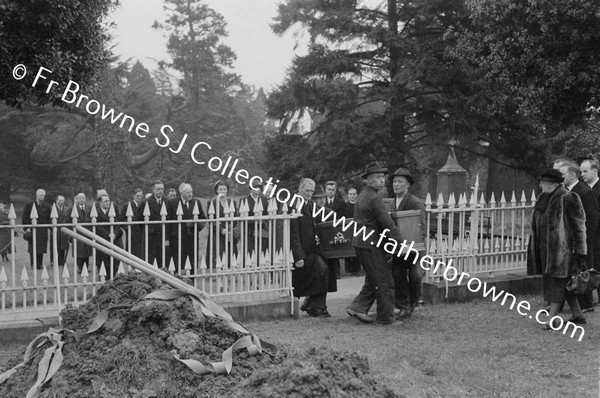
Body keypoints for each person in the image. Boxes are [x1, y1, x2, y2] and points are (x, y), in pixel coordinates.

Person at [526, 168, 587, 328]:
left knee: (558, 283)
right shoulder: (543, 198)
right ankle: (577, 315)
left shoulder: (569, 197)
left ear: (552, 183)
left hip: (563, 250)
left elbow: (579, 225)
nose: (540, 184)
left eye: (543, 181)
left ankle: (552, 319)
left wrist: (580, 250)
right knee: (563, 283)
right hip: (545, 249)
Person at [347, 163, 403, 325]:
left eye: (382, 177)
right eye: (377, 178)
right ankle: (385, 318)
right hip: (371, 244)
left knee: (373, 279)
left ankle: (358, 307)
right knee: (385, 281)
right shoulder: (375, 198)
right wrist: (401, 242)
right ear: (369, 181)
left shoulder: (363, 196)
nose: (382, 180)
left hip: (361, 243)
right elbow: (387, 223)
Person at [558, 162, 598, 313]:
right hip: (571, 240)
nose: (561, 177)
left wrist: (586, 240)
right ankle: (576, 302)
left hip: (583, 240)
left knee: (583, 271)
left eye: (563, 174)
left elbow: (593, 218)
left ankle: (586, 304)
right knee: (574, 271)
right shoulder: (567, 191)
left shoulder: (584, 192)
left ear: (572, 175)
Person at [389, 168, 426, 317]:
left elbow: (422, 226)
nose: (396, 185)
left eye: (400, 182)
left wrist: (415, 245)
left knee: (415, 276)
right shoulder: (393, 202)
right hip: (398, 247)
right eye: (394, 181)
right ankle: (404, 305)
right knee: (398, 274)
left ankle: (413, 303)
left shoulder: (415, 202)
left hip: (413, 247)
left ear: (407, 185)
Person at [290, 178, 330, 317]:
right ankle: (314, 305)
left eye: (312, 191)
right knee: (316, 274)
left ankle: (315, 305)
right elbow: (293, 232)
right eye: (307, 190)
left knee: (322, 272)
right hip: (302, 252)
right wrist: (298, 255)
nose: (309, 193)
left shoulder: (309, 204)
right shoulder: (294, 204)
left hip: (312, 249)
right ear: (299, 188)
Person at [167, 183, 206, 272]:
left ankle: (192, 280)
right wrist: (167, 238)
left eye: (191, 192)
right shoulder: (172, 202)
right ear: (181, 193)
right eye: (187, 192)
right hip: (177, 238)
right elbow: (168, 222)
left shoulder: (196, 202)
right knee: (177, 261)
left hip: (192, 237)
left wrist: (194, 226)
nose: (190, 194)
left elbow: (203, 218)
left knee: (192, 260)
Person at [580, 158, 600, 305]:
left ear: (595, 170)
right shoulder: (585, 189)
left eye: (585, 171)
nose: (582, 174)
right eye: (581, 171)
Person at [206, 180, 238, 267]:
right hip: (216, 232)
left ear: (227, 190)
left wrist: (230, 228)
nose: (222, 191)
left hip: (229, 231)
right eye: (220, 189)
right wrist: (222, 230)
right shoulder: (212, 202)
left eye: (224, 189)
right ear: (216, 190)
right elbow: (211, 219)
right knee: (217, 253)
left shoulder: (232, 202)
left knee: (230, 252)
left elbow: (235, 217)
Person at [95, 194, 123, 278]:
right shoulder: (96, 212)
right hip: (102, 242)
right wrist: (108, 234)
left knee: (114, 264)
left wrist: (114, 234)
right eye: (105, 201)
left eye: (109, 201)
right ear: (100, 202)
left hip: (114, 242)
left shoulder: (113, 211)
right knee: (103, 265)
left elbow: (118, 224)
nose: (108, 203)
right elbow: (96, 227)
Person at [22, 189, 50, 270]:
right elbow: (25, 218)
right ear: (37, 195)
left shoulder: (47, 206)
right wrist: (27, 228)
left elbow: (49, 219)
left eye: (44, 195)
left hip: (42, 230)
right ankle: (33, 264)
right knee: (33, 248)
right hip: (33, 230)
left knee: (41, 248)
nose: (43, 197)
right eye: (41, 195)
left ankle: (39, 264)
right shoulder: (29, 205)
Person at [144, 180, 169, 267]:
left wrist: (167, 237)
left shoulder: (168, 201)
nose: (160, 191)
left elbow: (170, 221)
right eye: (158, 189)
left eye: (162, 189)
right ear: (153, 190)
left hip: (163, 237)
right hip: (150, 237)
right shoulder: (146, 202)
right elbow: (140, 221)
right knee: (149, 261)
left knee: (163, 262)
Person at [324, 181, 345, 279]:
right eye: (329, 189)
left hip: (337, 228)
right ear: (325, 190)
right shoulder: (322, 202)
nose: (331, 192)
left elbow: (344, 216)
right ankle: (326, 272)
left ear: (335, 191)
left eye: (333, 190)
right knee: (326, 250)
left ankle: (336, 272)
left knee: (336, 250)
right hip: (324, 228)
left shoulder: (340, 202)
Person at [243, 183, 269, 263]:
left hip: (263, 230)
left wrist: (262, 221)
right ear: (250, 189)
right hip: (250, 231)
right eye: (255, 188)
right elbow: (242, 217)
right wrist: (254, 221)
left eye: (258, 189)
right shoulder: (244, 200)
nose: (257, 191)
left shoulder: (264, 200)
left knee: (262, 251)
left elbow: (268, 213)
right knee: (250, 252)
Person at [119, 188, 144, 259]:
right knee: (132, 256)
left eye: (141, 196)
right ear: (133, 196)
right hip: (132, 236)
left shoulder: (143, 205)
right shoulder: (128, 205)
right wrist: (127, 228)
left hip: (142, 234)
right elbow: (120, 219)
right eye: (137, 196)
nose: (139, 198)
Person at [343, 187, 362, 276]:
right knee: (347, 248)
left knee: (357, 248)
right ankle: (349, 270)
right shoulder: (345, 206)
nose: (352, 196)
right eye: (350, 194)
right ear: (348, 195)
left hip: (358, 229)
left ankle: (357, 270)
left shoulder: (360, 205)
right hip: (348, 229)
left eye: (354, 194)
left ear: (357, 195)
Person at [73, 193, 91, 273]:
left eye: (83, 198)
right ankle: (80, 268)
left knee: (86, 252)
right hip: (78, 234)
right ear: (77, 199)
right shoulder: (73, 208)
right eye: (79, 198)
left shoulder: (89, 208)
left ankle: (86, 267)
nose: (81, 199)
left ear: (85, 199)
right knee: (79, 252)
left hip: (87, 233)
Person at [51, 195, 70, 267]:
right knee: (54, 247)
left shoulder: (67, 209)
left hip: (64, 231)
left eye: (63, 201)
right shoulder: (52, 208)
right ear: (56, 201)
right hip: (55, 231)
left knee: (63, 247)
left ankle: (61, 261)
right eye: (60, 200)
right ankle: (53, 261)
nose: (61, 202)